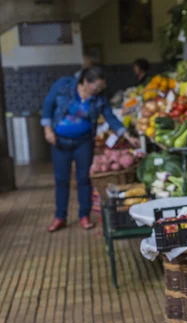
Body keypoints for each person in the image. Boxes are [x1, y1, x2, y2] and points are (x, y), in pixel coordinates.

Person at [41, 66, 140, 232]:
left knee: (84, 179)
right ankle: (60, 217)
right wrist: (47, 130)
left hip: (83, 143)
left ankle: (84, 215)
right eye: (96, 87)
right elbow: (48, 106)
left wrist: (128, 135)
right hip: (60, 142)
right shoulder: (64, 85)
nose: (99, 91)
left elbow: (110, 117)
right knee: (61, 179)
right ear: (85, 82)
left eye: (102, 88)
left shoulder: (99, 98)